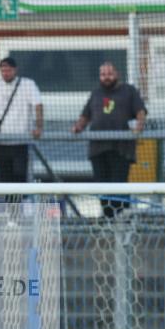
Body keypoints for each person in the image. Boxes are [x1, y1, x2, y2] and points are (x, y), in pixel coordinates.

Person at [71, 61, 148, 218]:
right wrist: (78, 127)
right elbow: (85, 115)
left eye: (109, 74)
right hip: (98, 149)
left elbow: (140, 111)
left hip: (120, 148)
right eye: (103, 74)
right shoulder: (96, 93)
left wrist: (139, 126)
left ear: (117, 74)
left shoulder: (128, 91)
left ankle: (121, 218)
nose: (106, 77)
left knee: (118, 184)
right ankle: (107, 219)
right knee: (102, 185)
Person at [0, 57, 43, 183]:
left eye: (9, 70)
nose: (6, 73)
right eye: (3, 71)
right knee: (5, 178)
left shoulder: (27, 84)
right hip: (0, 142)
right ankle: (11, 203)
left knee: (20, 176)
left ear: (15, 70)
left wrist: (39, 127)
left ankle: (19, 202)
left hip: (20, 141)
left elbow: (38, 105)